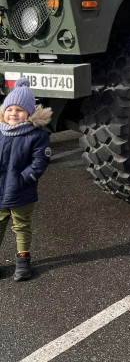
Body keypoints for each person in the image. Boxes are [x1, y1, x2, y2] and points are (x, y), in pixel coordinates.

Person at [0, 78, 52, 281]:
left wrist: (24, 179)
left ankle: (22, 260)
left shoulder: (36, 136)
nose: (13, 113)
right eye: (10, 108)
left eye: (20, 110)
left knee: (21, 225)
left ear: (29, 113)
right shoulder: (1, 133)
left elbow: (40, 161)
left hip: (22, 190)